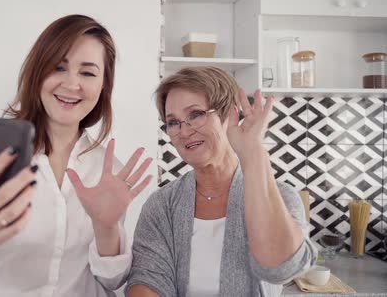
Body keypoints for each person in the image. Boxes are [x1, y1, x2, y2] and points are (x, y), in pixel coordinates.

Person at [0, 14, 153, 297]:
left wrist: (106, 226)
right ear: (38, 73)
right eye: (59, 67)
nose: (72, 84)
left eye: (88, 72)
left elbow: (111, 281)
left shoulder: (108, 171)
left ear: (103, 85)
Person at [126, 67, 316, 297]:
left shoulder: (282, 196)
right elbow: (147, 279)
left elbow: (281, 270)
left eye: (195, 114)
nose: (184, 131)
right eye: (173, 122)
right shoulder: (162, 205)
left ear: (229, 115)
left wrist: (253, 152)